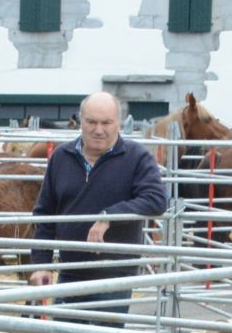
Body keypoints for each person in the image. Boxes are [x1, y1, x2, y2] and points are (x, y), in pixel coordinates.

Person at [20, 91, 164, 318]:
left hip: (113, 276)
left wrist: (110, 216)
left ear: (118, 123)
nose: (99, 129)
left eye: (106, 122)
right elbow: (45, 214)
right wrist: (42, 264)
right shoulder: (61, 157)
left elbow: (156, 200)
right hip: (70, 272)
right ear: (80, 121)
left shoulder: (136, 157)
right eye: (92, 122)